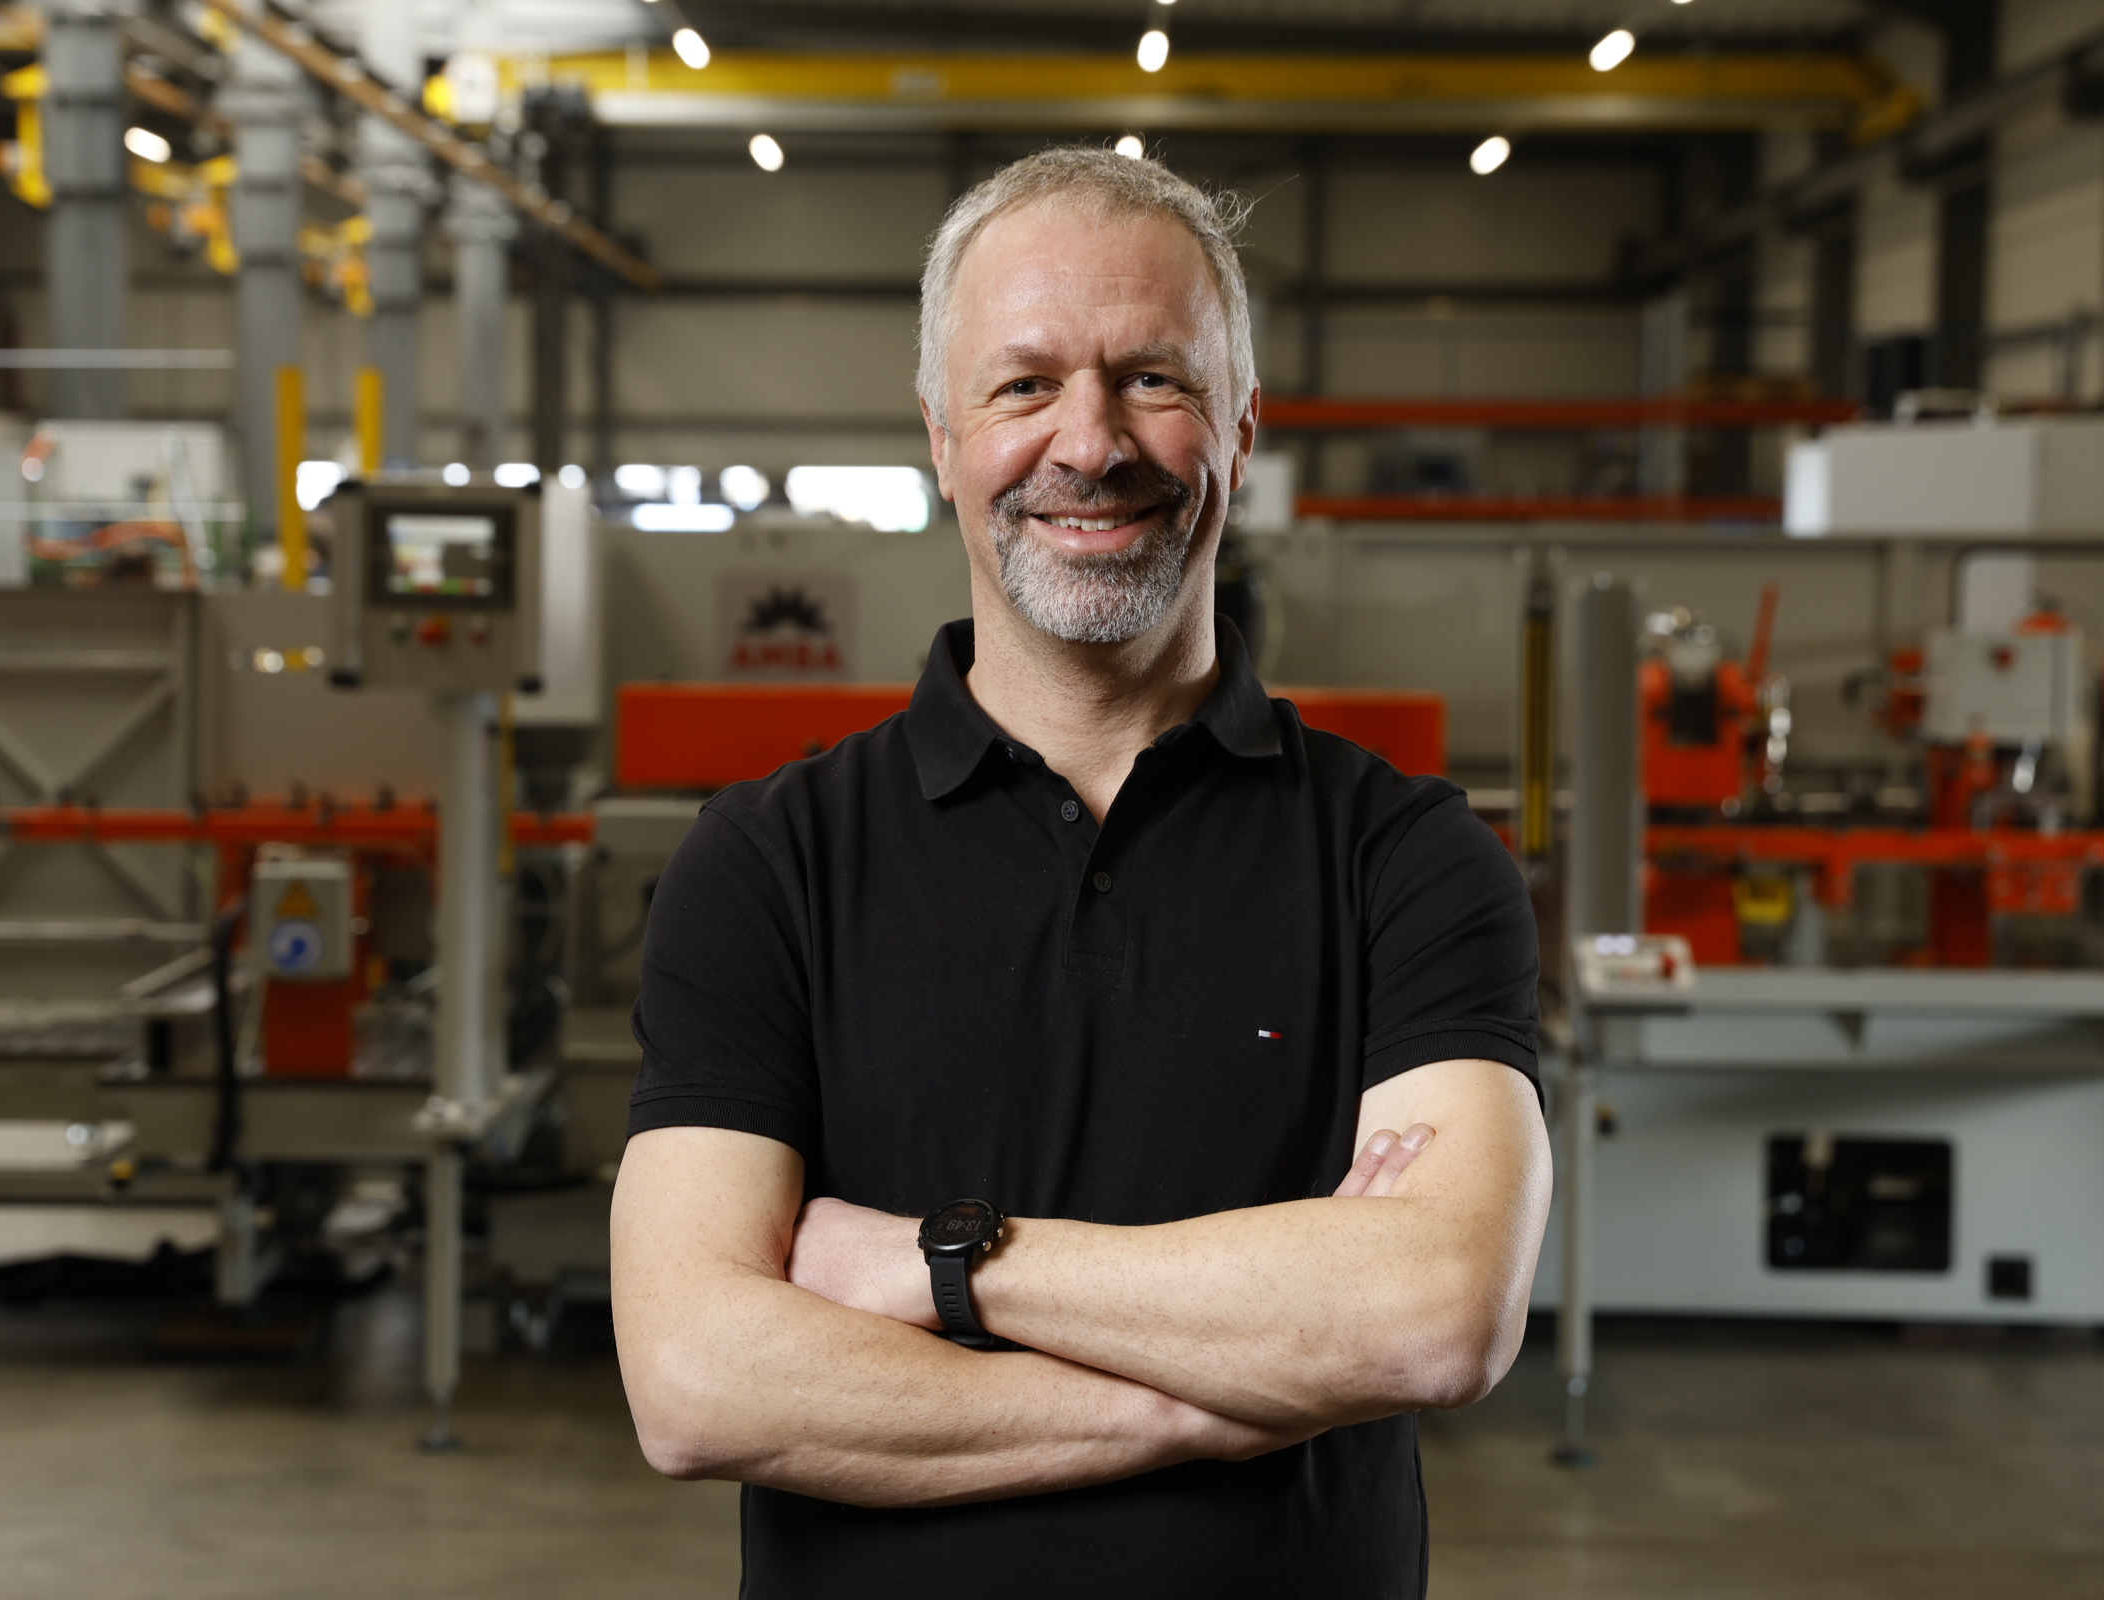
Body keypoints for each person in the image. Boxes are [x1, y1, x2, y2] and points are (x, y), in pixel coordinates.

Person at [611, 145, 1550, 1599]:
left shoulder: (1406, 856)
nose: (1091, 443)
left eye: (1153, 379)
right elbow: (694, 1380)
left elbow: (1436, 1315)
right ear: (942, 438)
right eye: (1024, 384)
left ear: (1242, 429)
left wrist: (942, 1262)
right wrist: (1208, 1402)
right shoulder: (767, 862)